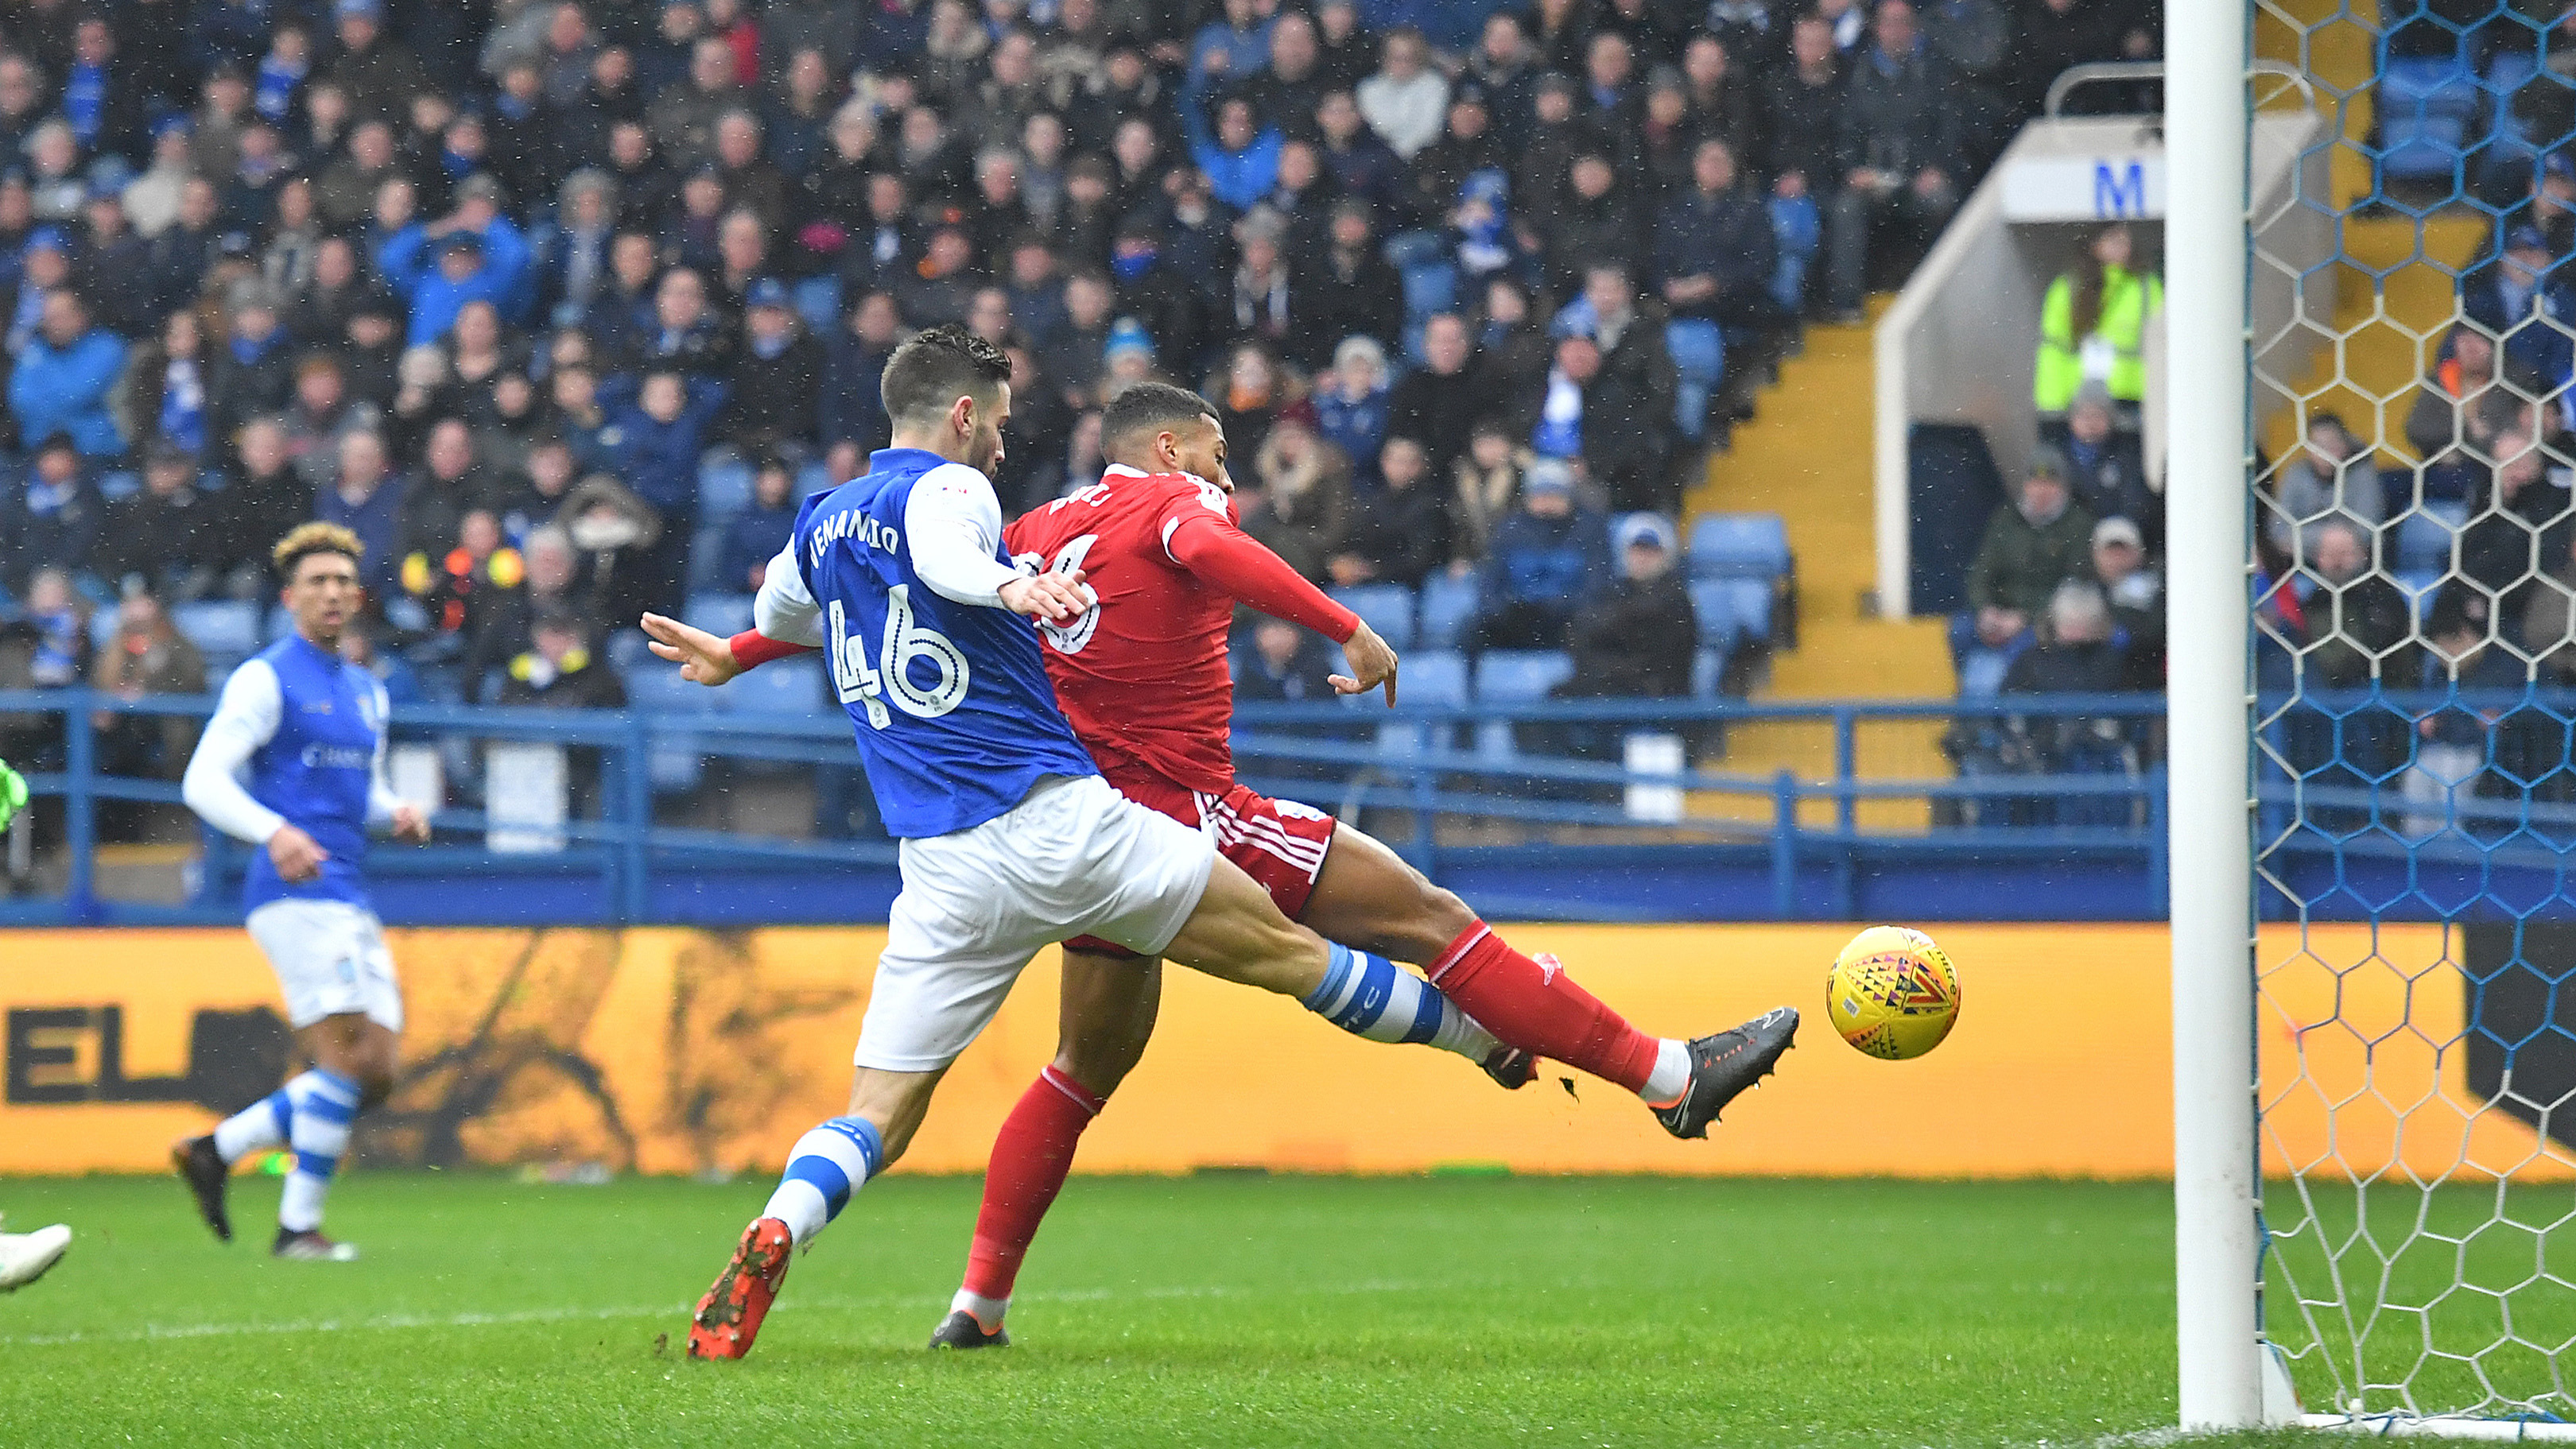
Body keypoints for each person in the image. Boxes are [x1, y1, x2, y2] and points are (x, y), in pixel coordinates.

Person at [646, 372, 1797, 1352]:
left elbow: (903, 590)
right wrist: (1344, 622)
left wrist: (744, 649)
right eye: (1217, 452)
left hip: (1025, 832)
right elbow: (1203, 541)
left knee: (1080, 1069)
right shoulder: (1169, 504)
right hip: (1176, 814)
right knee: (1422, 919)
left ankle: (976, 1303)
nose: (1228, 478)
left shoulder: (1033, 526)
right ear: (1165, 446)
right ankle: (1662, 1074)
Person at [174, 522, 432, 1262]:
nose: (330, 592)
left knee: (375, 1069)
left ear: (357, 596)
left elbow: (364, 788)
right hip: (291, 894)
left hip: (348, 892)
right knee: (347, 1056)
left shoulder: (367, 690)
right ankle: (297, 1229)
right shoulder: (264, 677)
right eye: (316, 581)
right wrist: (272, 831)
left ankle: (216, 1150)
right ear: (290, 596)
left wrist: (395, 812)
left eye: (342, 582)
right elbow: (203, 780)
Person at [2033, 220, 2160, 424]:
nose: (2122, 246)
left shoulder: (2146, 287)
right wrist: (2051, 405)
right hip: (2078, 398)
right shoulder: (2068, 288)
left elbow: (2160, 344)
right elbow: (2053, 349)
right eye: (2113, 239)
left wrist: (2157, 396)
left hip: (2131, 396)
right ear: (2094, 244)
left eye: (2125, 239)